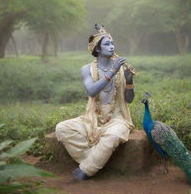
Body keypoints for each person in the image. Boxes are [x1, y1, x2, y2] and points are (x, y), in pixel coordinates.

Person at [55, 25, 135, 180]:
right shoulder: (87, 69)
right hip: (92, 118)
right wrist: (112, 72)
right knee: (62, 128)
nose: (111, 46)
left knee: (113, 136)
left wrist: (130, 82)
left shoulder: (121, 69)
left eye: (112, 44)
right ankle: (93, 160)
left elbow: (129, 100)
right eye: (107, 44)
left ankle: (86, 170)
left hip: (117, 118)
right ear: (97, 49)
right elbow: (91, 91)